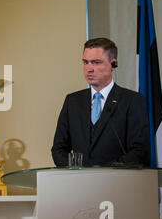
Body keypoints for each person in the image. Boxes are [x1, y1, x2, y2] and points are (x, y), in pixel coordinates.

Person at [51, 38, 150, 167]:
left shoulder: (132, 100)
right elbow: (58, 149)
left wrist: (106, 172)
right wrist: (74, 171)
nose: (89, 69)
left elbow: (139, 150)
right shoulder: (73, 101)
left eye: (96, 62)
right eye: (85, 62)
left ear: (113, 64)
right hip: (78, 183)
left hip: (116, 183)